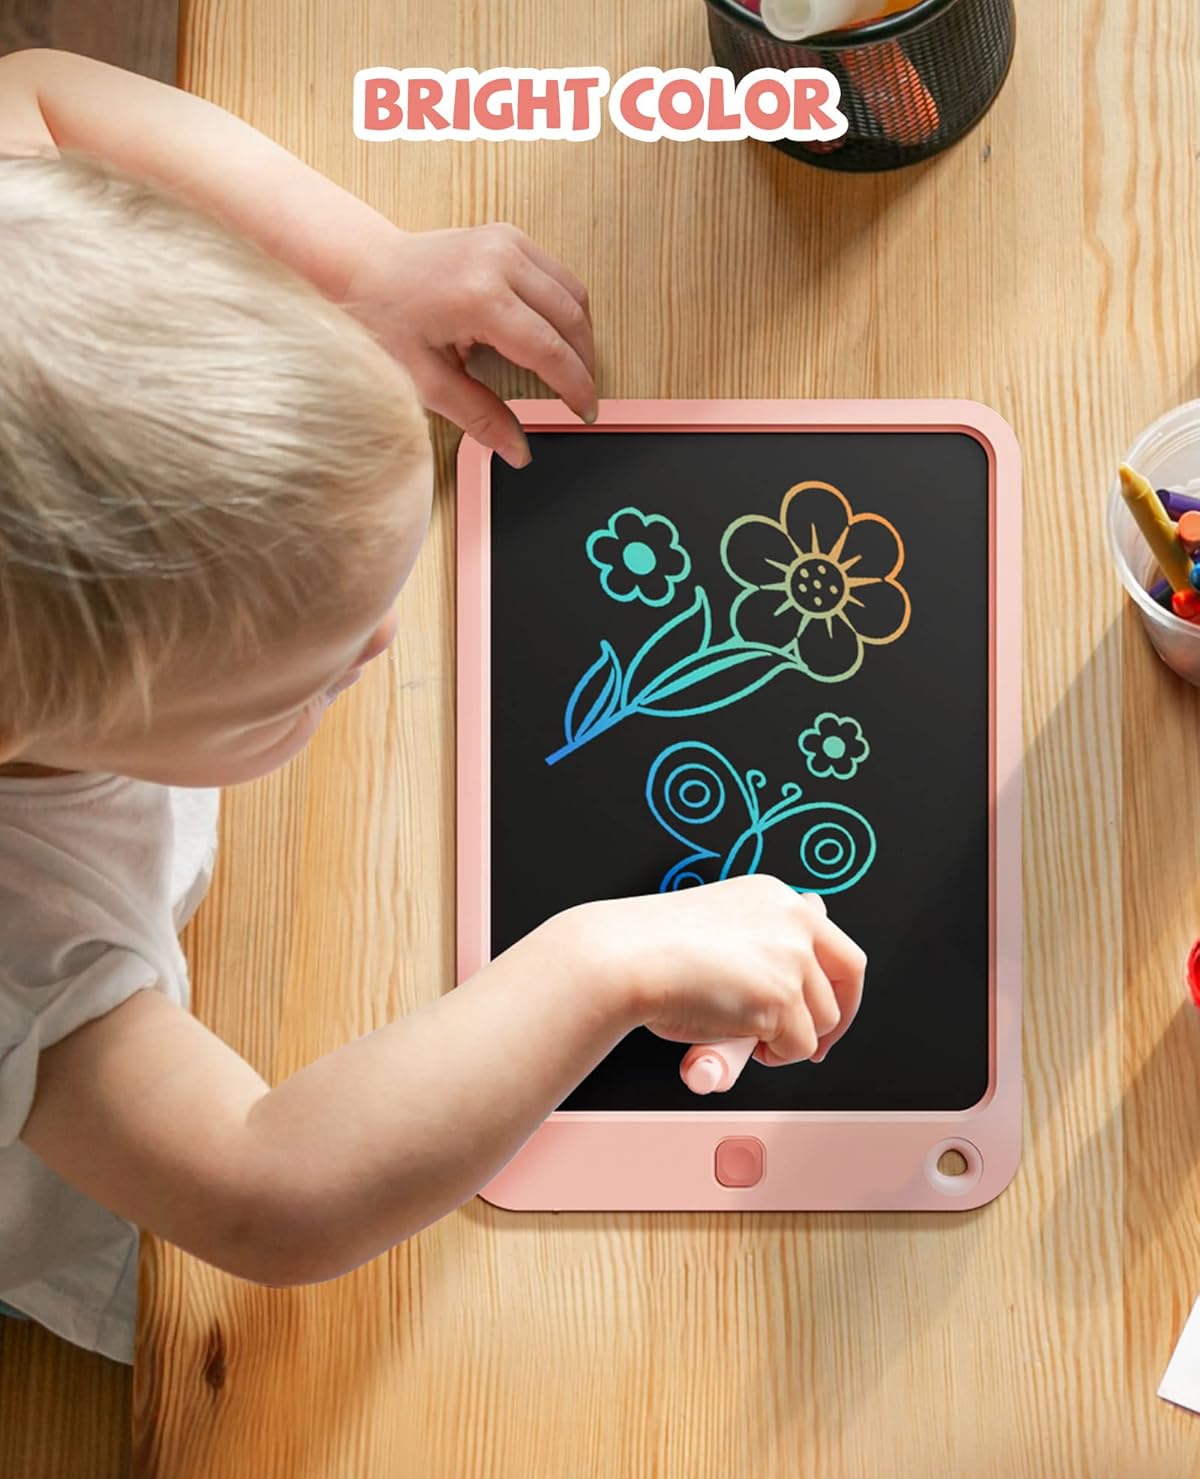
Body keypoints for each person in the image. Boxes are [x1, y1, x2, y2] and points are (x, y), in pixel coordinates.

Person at [0, 50, 866, 1362]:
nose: (386, 645)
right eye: (303, 677)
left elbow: (36, 91)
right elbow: (265, 1193)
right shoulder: (28, 937)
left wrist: (358, 269)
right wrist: (602, 962)